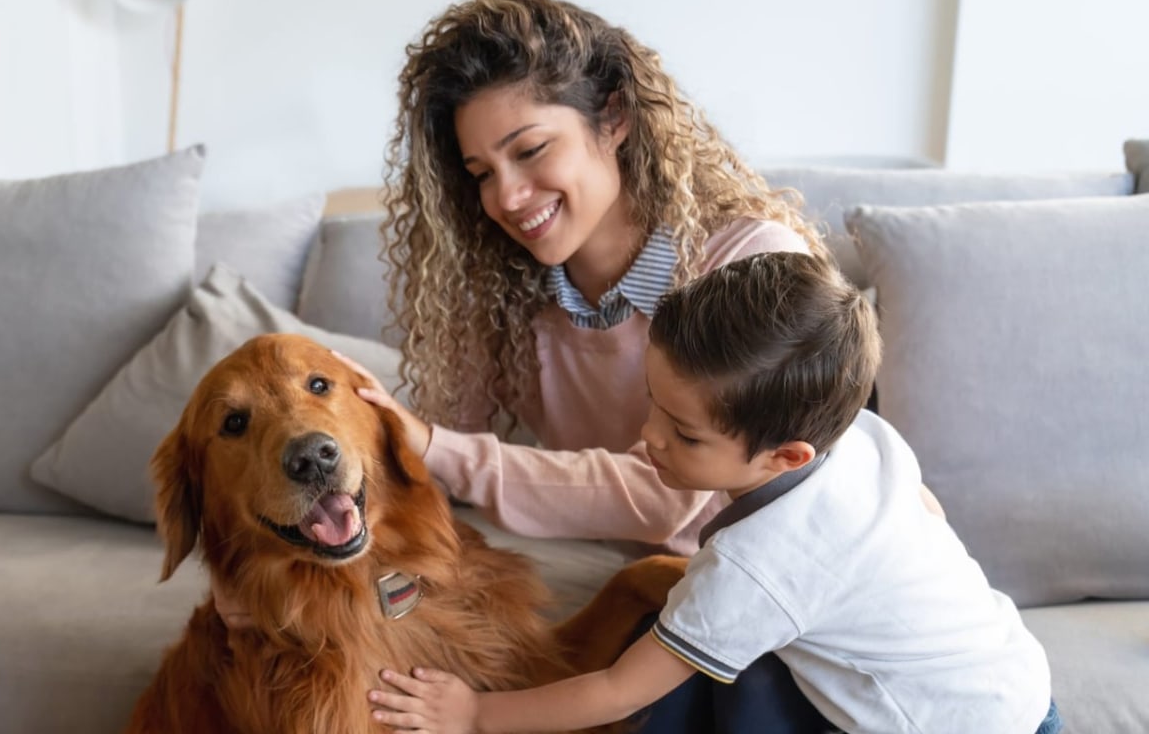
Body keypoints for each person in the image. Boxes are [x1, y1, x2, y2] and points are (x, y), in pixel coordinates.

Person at [215, 0, 900, 730]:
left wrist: (443, 451)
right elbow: (418, 476)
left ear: (614, 119)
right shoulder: (502, 294)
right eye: (480, 172)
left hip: (783, 597)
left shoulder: (749, 268)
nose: (507, 196)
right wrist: (281, 566)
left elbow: (660, 490)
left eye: (531, 150)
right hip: (662, 590)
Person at [367, 251, 1058, 734]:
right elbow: (925, 511)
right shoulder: (868, 438)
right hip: (1017, 676)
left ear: (787, 456)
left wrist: (474, 715)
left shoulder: (756, 568)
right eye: (652, 405)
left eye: (685, 436)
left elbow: (617, 690)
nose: (648, 438)